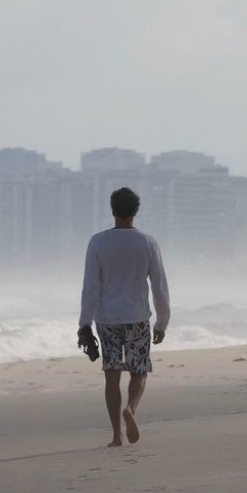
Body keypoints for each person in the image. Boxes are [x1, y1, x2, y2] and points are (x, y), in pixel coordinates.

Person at [78, 187, 170, 447]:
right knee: (139, 372)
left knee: (111, 375)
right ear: (135, 211)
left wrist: (84, 323)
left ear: (112, 209)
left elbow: (90, 286)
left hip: (106, 318)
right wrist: (162, 321)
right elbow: (159, 285)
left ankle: (116, 435)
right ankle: (131, 408)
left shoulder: (97, 242)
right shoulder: (147, 242)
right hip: (137, 317)